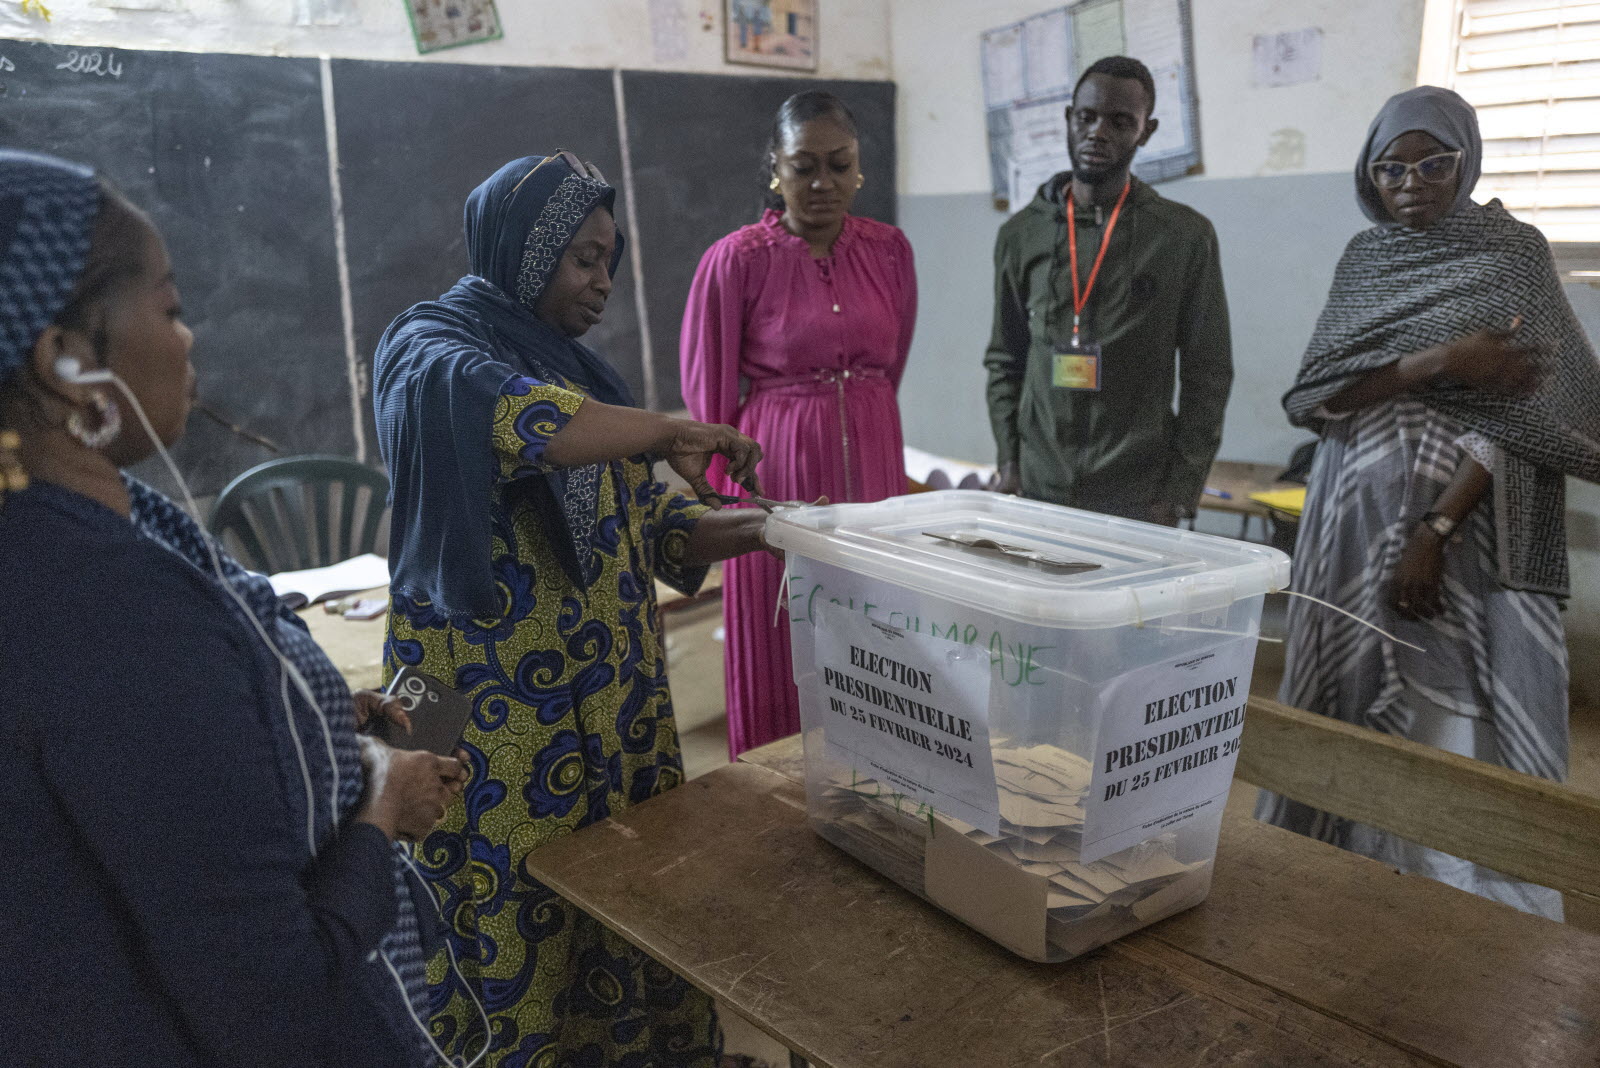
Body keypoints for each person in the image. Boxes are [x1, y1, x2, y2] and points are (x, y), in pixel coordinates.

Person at [0, 151, 466, 1067]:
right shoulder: (111, 609)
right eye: (169, 308)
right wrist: (381, 803)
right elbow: (275, 999)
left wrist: (319, 720)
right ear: (66, 362)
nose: (187, 338)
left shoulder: (63, 535)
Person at [374, 152, 771, 1067]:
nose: (603, 283)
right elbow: (516, 419)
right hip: (489, 711)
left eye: (611, 261)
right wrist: (673, 427)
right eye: (584, 259)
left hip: (608, 703)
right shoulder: (428, 347)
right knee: (515, 902)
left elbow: (657, 523)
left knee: (631, 892)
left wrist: (769, 531)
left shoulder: (582, 378)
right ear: (525, 248)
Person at [1260, 87, 1600, 918]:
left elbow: (1534, 410)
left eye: (1433, 162)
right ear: (1368, 174)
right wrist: (1442, 358)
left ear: (1466, 161)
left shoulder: (1512, 254)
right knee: (1356, 689)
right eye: (1389, 167)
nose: (1409, 181)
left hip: (1476, 530)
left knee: (1456, 699)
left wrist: (1437, 529)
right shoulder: (1365, 260)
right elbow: (1323, 398)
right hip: (1355, 513)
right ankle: (1353, 877)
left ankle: (1471, 892)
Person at [681, 90, 917, 758]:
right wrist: (731, 512)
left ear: (860, 168)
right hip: (775, 468)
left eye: (839, 165)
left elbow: (890, 368)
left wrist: (863, 423)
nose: (823, 183)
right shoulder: (735, 260)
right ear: (774, 168)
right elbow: (708, 406)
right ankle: (772, 789)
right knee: (779, 628)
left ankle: (882, 779)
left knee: (876, 633)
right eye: (804, 165)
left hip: (874, 461)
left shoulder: (891, 251)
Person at [985, 55, 1232, 524]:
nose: (1098, 133)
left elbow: (1208, 373)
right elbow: (1005, 359)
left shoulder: (1182, 236)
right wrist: (1009, 461)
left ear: (1147, 131)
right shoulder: (1022, 235)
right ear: (1068, 120)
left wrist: (1179, 491)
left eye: (1121, 122)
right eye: (1087, 117)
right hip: (1040, 486)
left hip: (1137, 495)